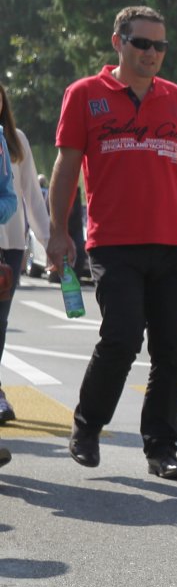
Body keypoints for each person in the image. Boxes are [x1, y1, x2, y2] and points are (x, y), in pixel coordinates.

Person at [47, 4, 177, 481]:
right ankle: (87, 427)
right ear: (119, 42)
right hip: (113, 243)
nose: (152, 53)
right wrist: (57, 230)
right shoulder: (84, 94)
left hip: (173, 243)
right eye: (142, 43)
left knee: (171, 351)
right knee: (122, 336)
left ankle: (162, 449)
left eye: (159, 45)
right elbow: (66, 168)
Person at [1, 82, 52, 426]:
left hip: (11, 245)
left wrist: (50, 244)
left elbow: (32, 195)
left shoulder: (16, 141)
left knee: (0, 322)